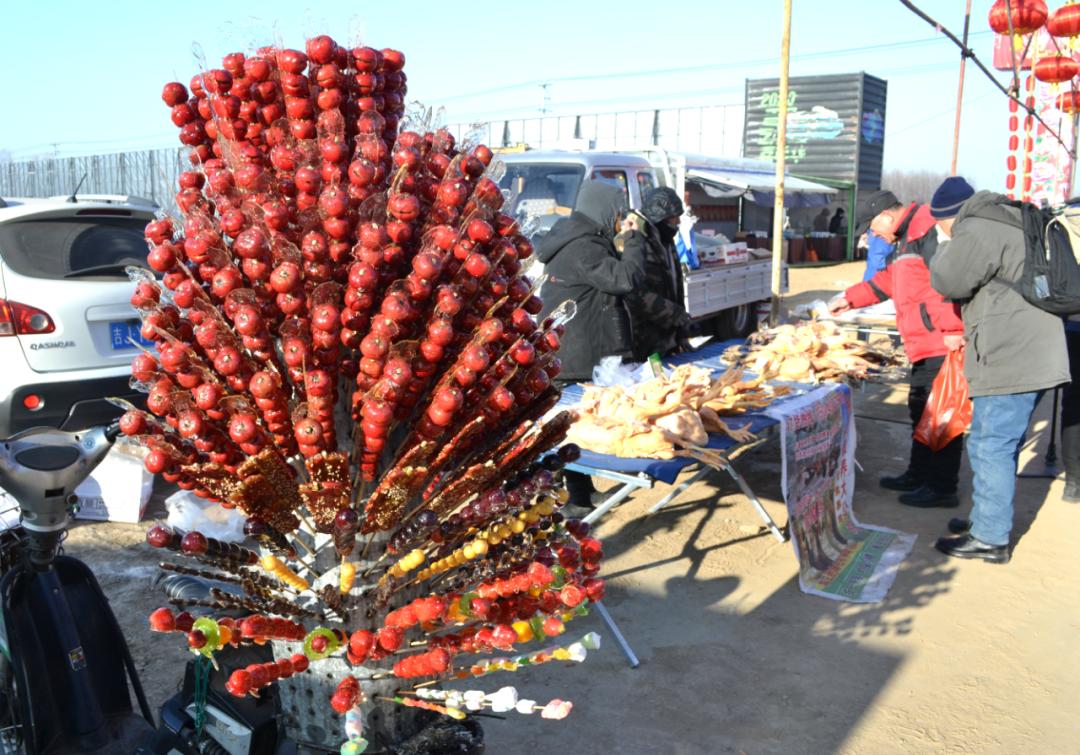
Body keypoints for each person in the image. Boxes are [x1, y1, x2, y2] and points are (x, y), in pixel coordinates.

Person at [930, 188, 1070, 563]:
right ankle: (985, 519)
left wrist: (945, 244)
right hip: (1035, 350)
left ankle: (990, 538)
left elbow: (947, 281)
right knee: (1000, 442)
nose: (942, 231)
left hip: (1011, 353)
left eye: (940, 224)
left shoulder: (977, 228)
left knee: (991, 444)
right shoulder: (1009, 217)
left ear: (948, 216)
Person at [829, 184, 967, 508]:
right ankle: (918, 474)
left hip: (939, 342)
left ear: (886, 216)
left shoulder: (926, 230)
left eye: (873, 228)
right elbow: (887, 282)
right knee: (920, 410)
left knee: (941, 413)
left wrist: (952, 328)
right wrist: (848, 299)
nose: (873, 236)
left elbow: (949, 280)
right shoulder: (906, 238)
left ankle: (942, 486)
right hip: (922, 342)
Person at [537, 181, 648, 509]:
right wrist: (633, 238)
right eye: (617, 212)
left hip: (575, 348)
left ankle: (581, 495)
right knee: (572, 427)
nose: (619, 219)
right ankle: (567, 502)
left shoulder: (578, 239)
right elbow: (625, 279)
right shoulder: (583, 246)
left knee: (575, 426)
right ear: (604, 209)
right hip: (576, 353)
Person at [625, 186, 694, 360]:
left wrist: (682, 333)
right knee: (651, 382)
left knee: (668, 382)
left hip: (666, 339)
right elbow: (634, 292)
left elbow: (675, 285)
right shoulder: (637, 241)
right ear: (659, 218)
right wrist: (672, 313)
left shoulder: (666, 241)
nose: (677, 222)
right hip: (644, 340)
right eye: (673, 217)